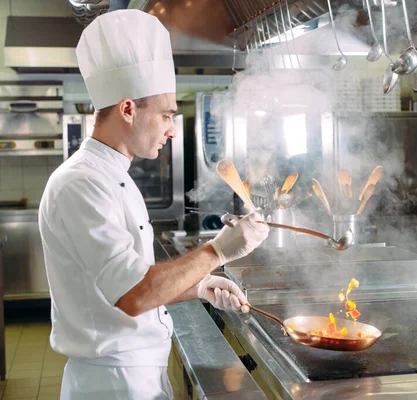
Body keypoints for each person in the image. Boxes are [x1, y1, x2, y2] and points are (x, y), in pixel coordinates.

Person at [38, 9, 269, 400]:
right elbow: (133, 294)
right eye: (165, 115)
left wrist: (198, 288)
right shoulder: (81, 184)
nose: (171, 130)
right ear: (128, 109)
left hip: (137, 377)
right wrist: (218, 250)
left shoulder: (113, 175)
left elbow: (125, 282)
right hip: (111, 385)